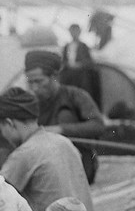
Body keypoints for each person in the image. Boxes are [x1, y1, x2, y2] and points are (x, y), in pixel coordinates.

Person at [0, 87, 104, 211]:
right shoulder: (64, 142)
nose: (5, 136)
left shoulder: (24, 154)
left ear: (9, 123)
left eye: (2, 129)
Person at [23, 50, 105, 183]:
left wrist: (60, 129)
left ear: (54, 77)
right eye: (30, 82)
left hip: (79, 165)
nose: (34, 88)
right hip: (44, 165)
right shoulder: (29, 103)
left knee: (65, 115)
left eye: (39, 81)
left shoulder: (76, 96)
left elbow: (98, 125)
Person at [59, 23, 101, 105]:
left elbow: (89, 61)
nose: (74, 33)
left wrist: (80, 64)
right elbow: (63, 60)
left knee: (83, 89)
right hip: (69, 73)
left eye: (76, 31)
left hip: (80, 73)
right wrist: (67, 64)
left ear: (79, 32)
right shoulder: (66, 46)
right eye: (72, 31)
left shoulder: (83, 46)